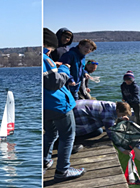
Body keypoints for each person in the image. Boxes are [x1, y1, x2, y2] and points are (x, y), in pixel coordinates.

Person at [42, 28, 85, 179]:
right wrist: (64, 69)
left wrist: (53, 65)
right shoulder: (44, 59)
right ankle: (62, 171)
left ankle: (45, 160)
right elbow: (55, 83)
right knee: (67, 135)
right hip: (58, 105)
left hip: (44, 108)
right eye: (49, 50)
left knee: (51, 133)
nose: (49, 52)